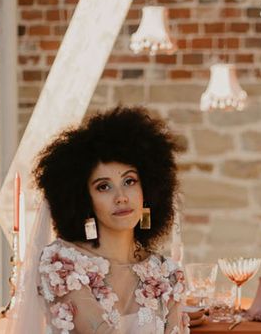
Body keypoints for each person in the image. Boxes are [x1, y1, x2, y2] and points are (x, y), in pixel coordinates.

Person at [12, 106, 188, 334]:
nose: (121, 197)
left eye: (130, 181)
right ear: (84, 200)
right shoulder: (64, 264)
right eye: (103, 187)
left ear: (149, 190)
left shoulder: (167, 274)